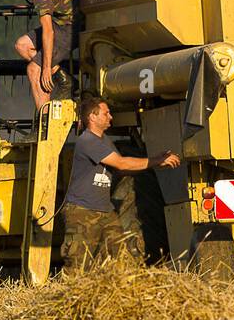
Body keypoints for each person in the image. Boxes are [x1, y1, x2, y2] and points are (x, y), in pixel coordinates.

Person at [61, 94, 181, 275]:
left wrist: (154, 166)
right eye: (106, 113)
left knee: (121, 256)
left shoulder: (104, 140)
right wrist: (155, 161)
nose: (110, 117)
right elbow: (121, 163)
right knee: (78, 264)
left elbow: (122, 170)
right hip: (82, 212)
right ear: (92, 117)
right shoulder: (87, 141)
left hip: (105, 211)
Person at [0, 0, 75, 111]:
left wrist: (46, 68)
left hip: (68, 29)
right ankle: (64, 78)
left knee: (35, 70)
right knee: (22, 45)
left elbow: (48, 31)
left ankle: (44, 126)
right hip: (65, 22)